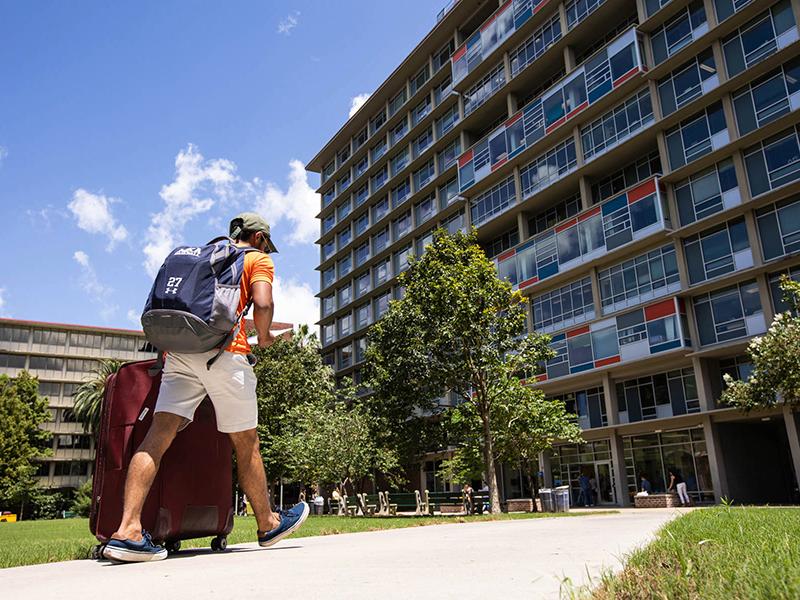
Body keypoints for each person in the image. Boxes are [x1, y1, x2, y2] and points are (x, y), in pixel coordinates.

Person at [103, 213, 309, 562]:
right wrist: (264, 337)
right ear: (259, 238)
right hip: (225, 355)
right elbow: (263, 303)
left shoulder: (199, 257)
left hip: (179, 355)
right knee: (246, 443)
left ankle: (127, 531)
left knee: (156, 438)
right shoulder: (256, 260)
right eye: (266, 244)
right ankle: (268, 524)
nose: (266, 250)